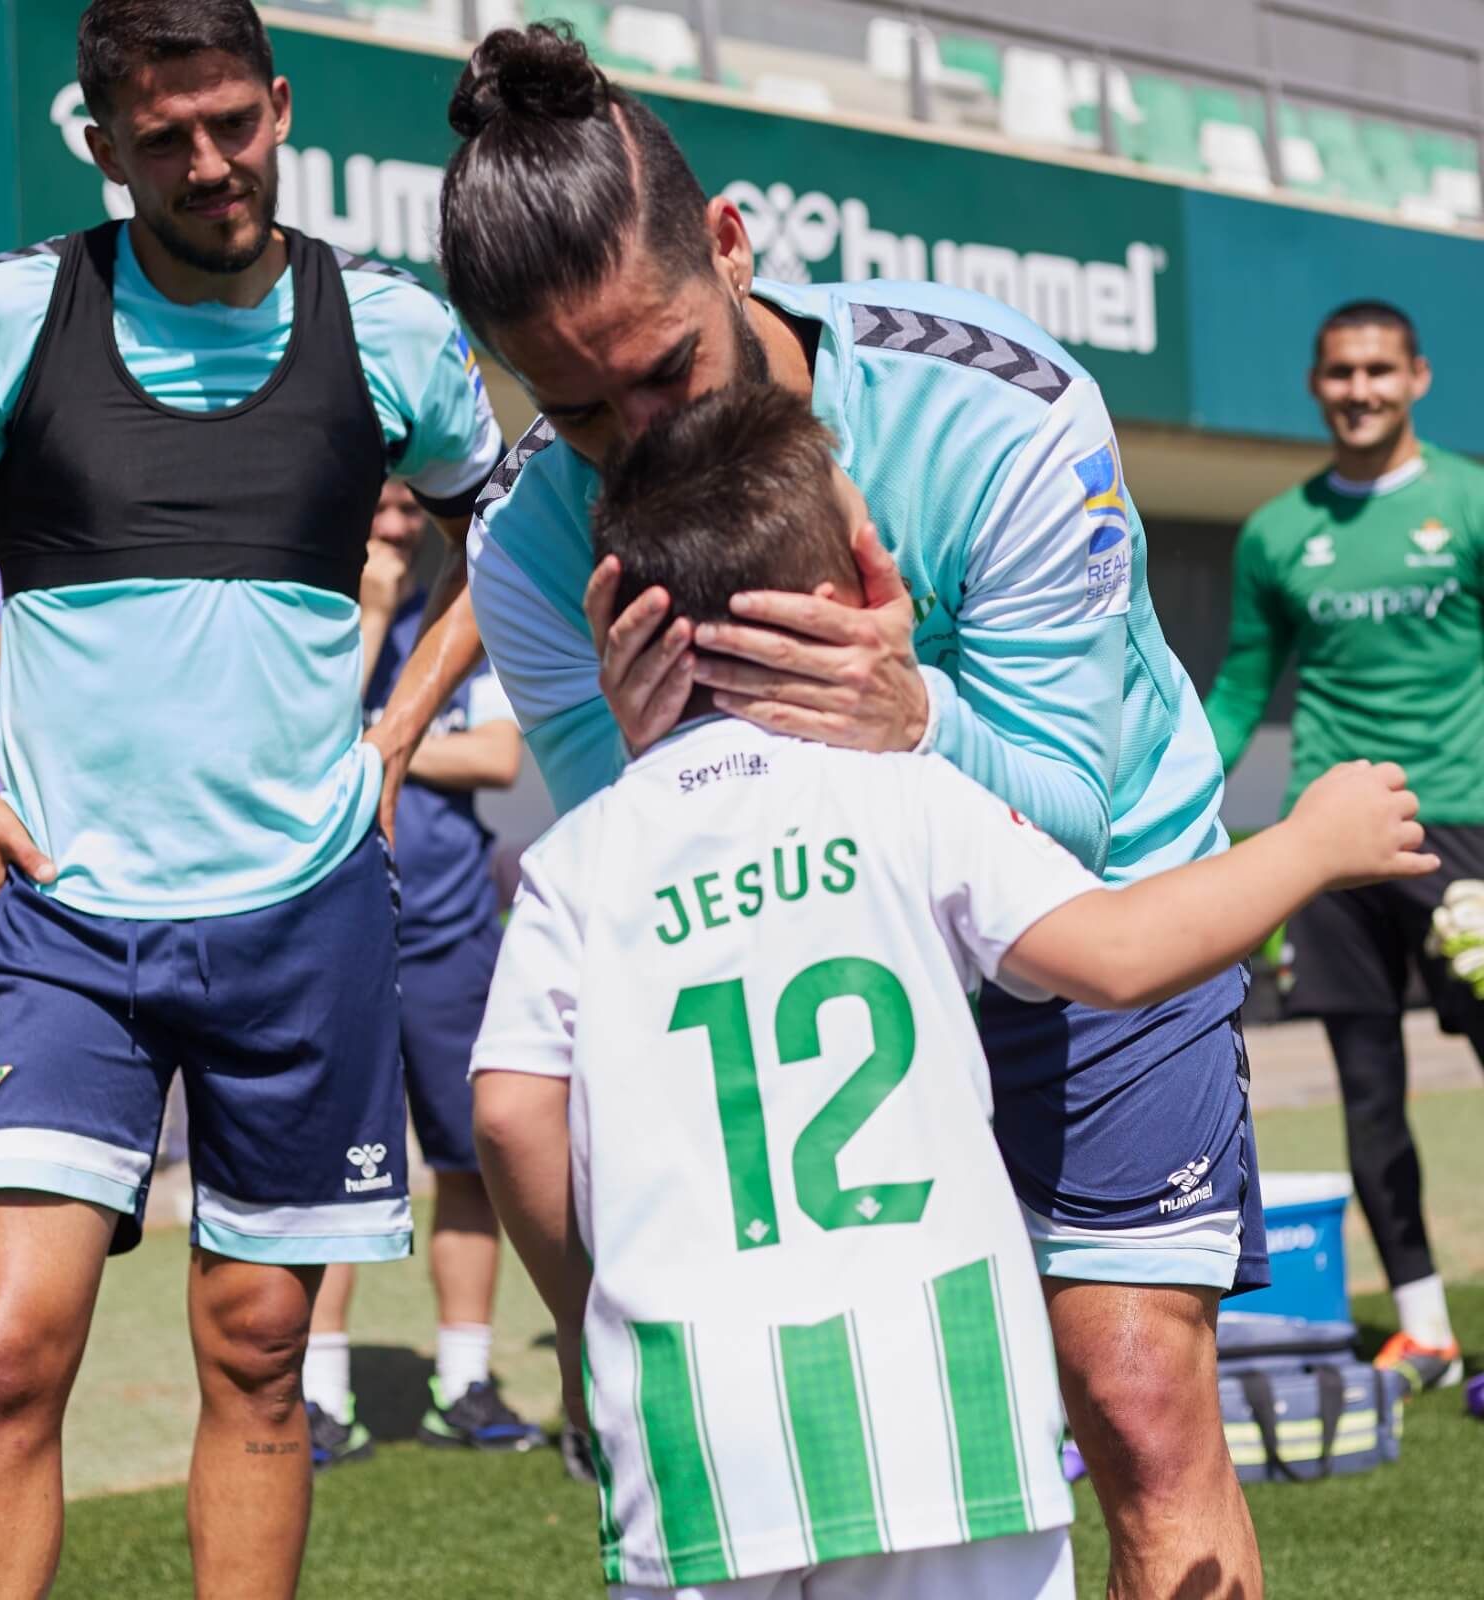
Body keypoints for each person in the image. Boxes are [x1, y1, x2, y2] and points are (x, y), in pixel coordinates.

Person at [447, 26, 1262, 1594]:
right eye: (581, 407)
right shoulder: (532, 543)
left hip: (1097, 914)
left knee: (1141, 1401)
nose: (640, 441)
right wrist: (646, 762)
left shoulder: (1000, 419)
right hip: (814, 995)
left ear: (734, 249)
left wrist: (916, 715)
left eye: (664, 369)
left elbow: (1073, 824)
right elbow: (638, 894)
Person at [470, 385, 1433, 1600]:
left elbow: (510, 1117)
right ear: (850, 596)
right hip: (944, 1411)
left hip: (696, 1433)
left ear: (617, 619)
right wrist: (1310, 844)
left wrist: (579, 1318)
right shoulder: (906, 795)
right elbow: (1121, 952)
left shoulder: (578, 862)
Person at [0, 3, 500, 1594]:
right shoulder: (4, 317)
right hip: (63, 922)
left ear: (280, 104)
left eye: (233, 121)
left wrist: (394, 735)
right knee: (5, 1355)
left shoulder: (394, 331)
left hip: (302, 920)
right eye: (164, 136)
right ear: (103, 143)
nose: (210, 162)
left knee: (259, 1352)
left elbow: (511, 534)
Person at [1205, 299, 1484, 1392]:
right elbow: (1239, 684)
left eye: (1378, 370)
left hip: (1459, 827)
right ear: (1315, 385)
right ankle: (1421, 1326)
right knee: (1365, 1084)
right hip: (1327, 838)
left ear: (1416, 376)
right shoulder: (1278, 531)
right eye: (1338, 372)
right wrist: (1181, 802)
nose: (1358, 389)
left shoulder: (1467, 500)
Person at [303, 478, 544, 1466]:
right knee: (322, 1172)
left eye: (411, 507)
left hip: (448, 929)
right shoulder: (304, 609)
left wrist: (370, 741)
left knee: (468, 1157)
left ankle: (466, 1378)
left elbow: (494, 758)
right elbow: (296, 753)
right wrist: (365, 618)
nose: (397, 527)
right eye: (378, 506)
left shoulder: (462, 611)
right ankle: (315, 1392)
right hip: (324, 936)